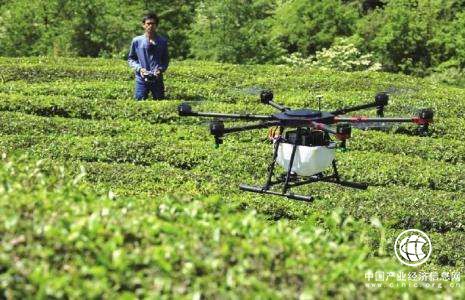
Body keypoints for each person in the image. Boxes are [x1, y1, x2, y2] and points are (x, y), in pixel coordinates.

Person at [128, 12, 169, 100]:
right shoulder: (136, 41)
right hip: (141, 80)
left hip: (157, 80)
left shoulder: (163, 41)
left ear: (156, 25)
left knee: (160, 103)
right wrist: (140, 69)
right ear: (144, 25)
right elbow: (131, 59)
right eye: (148, 24)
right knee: (139, 104)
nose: (150, 26)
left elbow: (165, 60)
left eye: (153, 24)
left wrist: (160, 69)